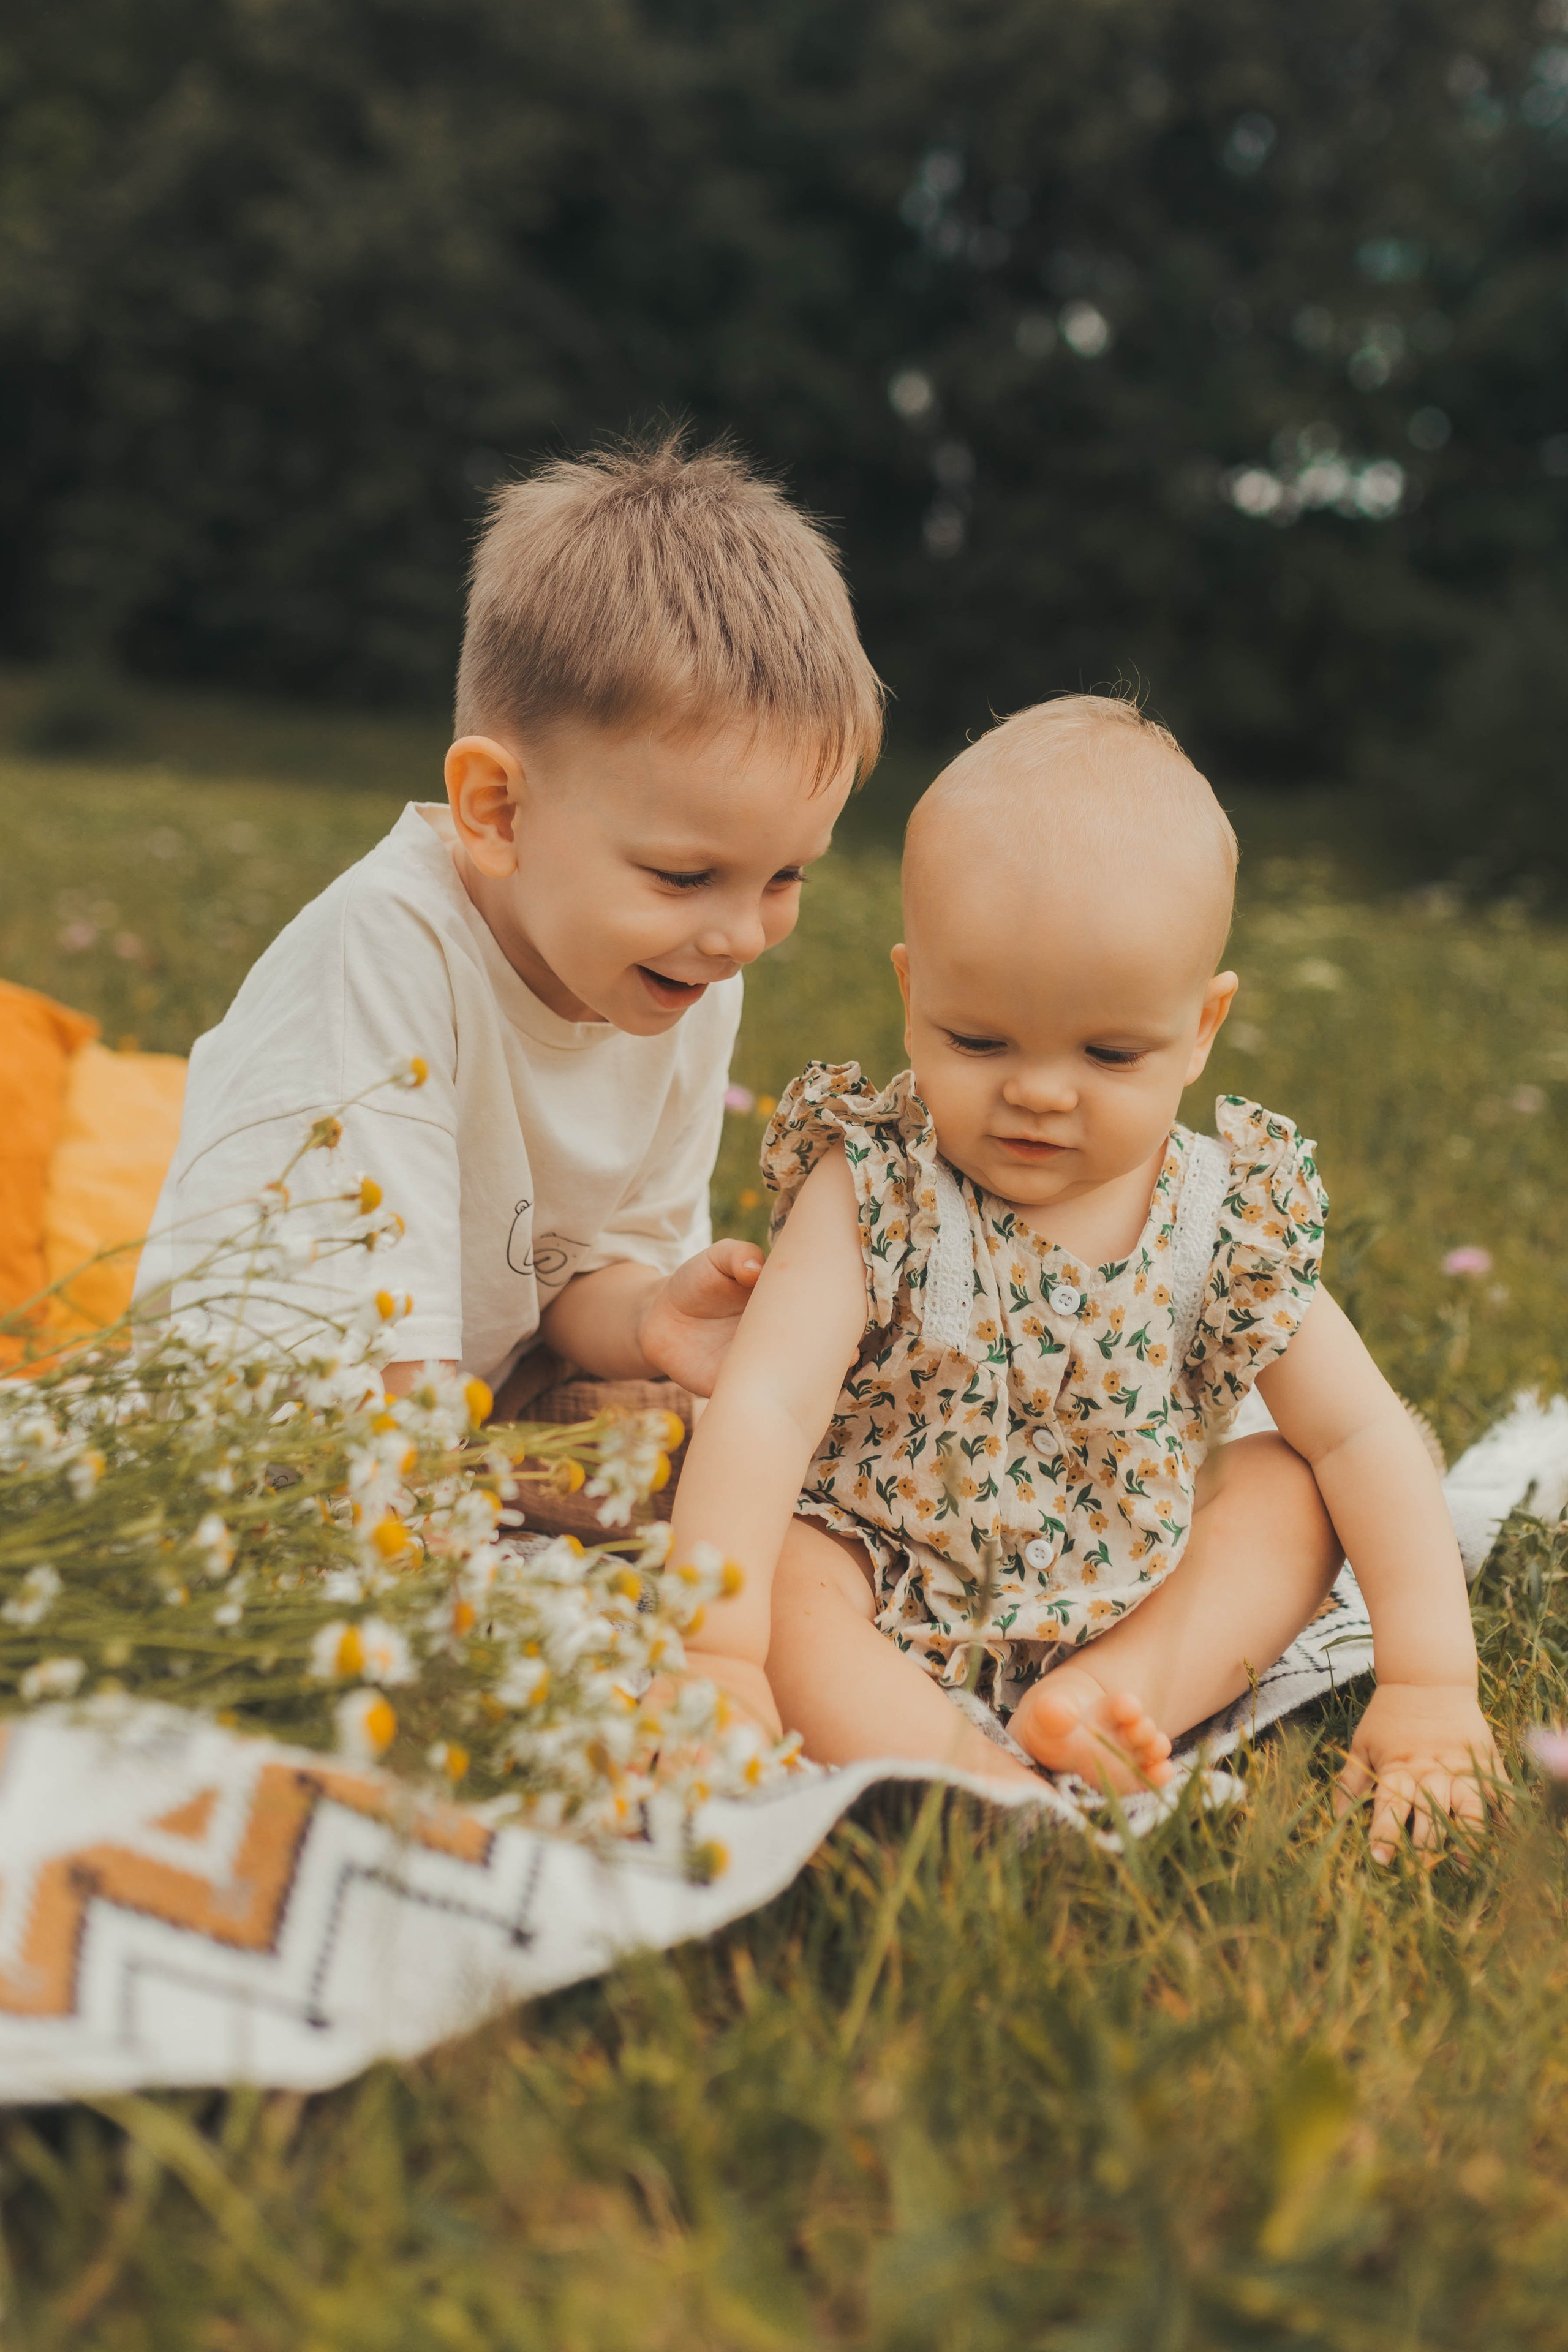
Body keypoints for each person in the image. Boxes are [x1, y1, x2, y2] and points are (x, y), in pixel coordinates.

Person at [667, 695, 1503, 1863]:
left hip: (1136, 1572)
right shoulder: (875, 1186)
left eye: (1110, 1054)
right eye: (980, 1041)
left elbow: (1364, 1435)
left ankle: (1109, 1698)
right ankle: (969, 1783)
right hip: (890, 1558)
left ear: (1202, 1026)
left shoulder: (1221, 1215)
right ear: (913, 996)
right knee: (793, 1588)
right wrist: (715, 1650)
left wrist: (1428, 1680)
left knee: (1298, 1491)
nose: (1040, 1093)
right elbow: (764, 1405)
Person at [135, 434, 884, 1405]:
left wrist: (649, 1313)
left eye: (784, 876)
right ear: (497, 810)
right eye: (685, 874)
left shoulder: (680, 975)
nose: (740, 937)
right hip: (264, 1432)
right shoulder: (386, 954)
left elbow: (576, 1275)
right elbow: (375, 1358)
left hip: (459, 1420)